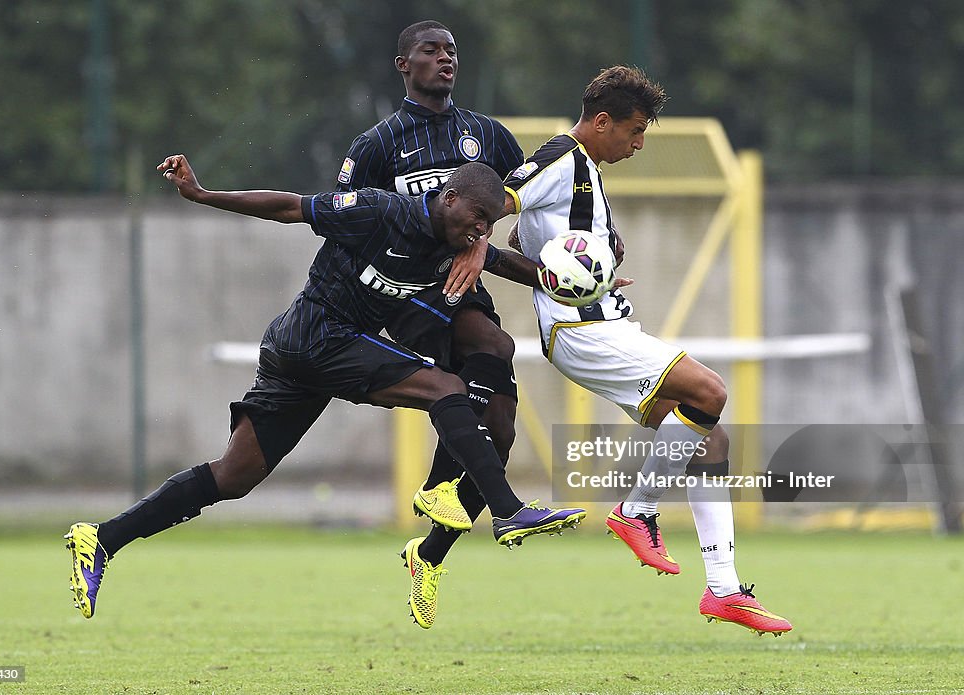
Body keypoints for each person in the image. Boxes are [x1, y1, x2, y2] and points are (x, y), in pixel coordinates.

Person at [63, 157, 586, 620]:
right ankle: (509, 510)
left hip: (310, 352)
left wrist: (577, 280)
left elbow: (508, 264)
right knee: (445, 387)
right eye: (477, 217)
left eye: (490, 223)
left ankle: (101, 540)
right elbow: (291, 207)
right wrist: (204, 195)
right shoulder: (380, 211)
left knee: (233, 475)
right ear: (447, 196)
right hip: (315, 336)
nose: (481, 230)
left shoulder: (455, 238)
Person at [448, 65, 793, 636]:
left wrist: (596, 272)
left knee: (710, 437)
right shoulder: (561, 158)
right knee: (711, 391)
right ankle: (638, 510)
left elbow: (541, 244)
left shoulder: (586, 171)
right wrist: (476, 245)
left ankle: (725, 589)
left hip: (603, 318)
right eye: (634, 132)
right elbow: (493, 202)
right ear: (602, 121)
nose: (637, 145)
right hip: (581, 331)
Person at [334, 20, 528, 630]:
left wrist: (589, 242)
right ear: (403, 65)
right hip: (409, 296)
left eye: (452, 51)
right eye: (431, 51)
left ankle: (429, 550)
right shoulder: (377, 145)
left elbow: (525, 196)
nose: (445, 59)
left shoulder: (487, 135)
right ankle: (452, 496)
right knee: (495, 345)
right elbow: (347, 220)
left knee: (498, 430)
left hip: (463, 288)